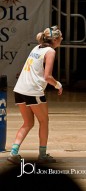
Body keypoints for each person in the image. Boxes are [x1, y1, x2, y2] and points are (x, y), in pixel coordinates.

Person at [7, 26, 63, 164]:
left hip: (19, 89)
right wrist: (58, 85)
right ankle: (42, 155)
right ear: (55, 40)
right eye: (60, 37)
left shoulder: (37, 48)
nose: (62, 39)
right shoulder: (50, 51)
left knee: (28, 122)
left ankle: (13, 153)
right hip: (32, 91)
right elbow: (48, 76)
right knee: (44, 121)